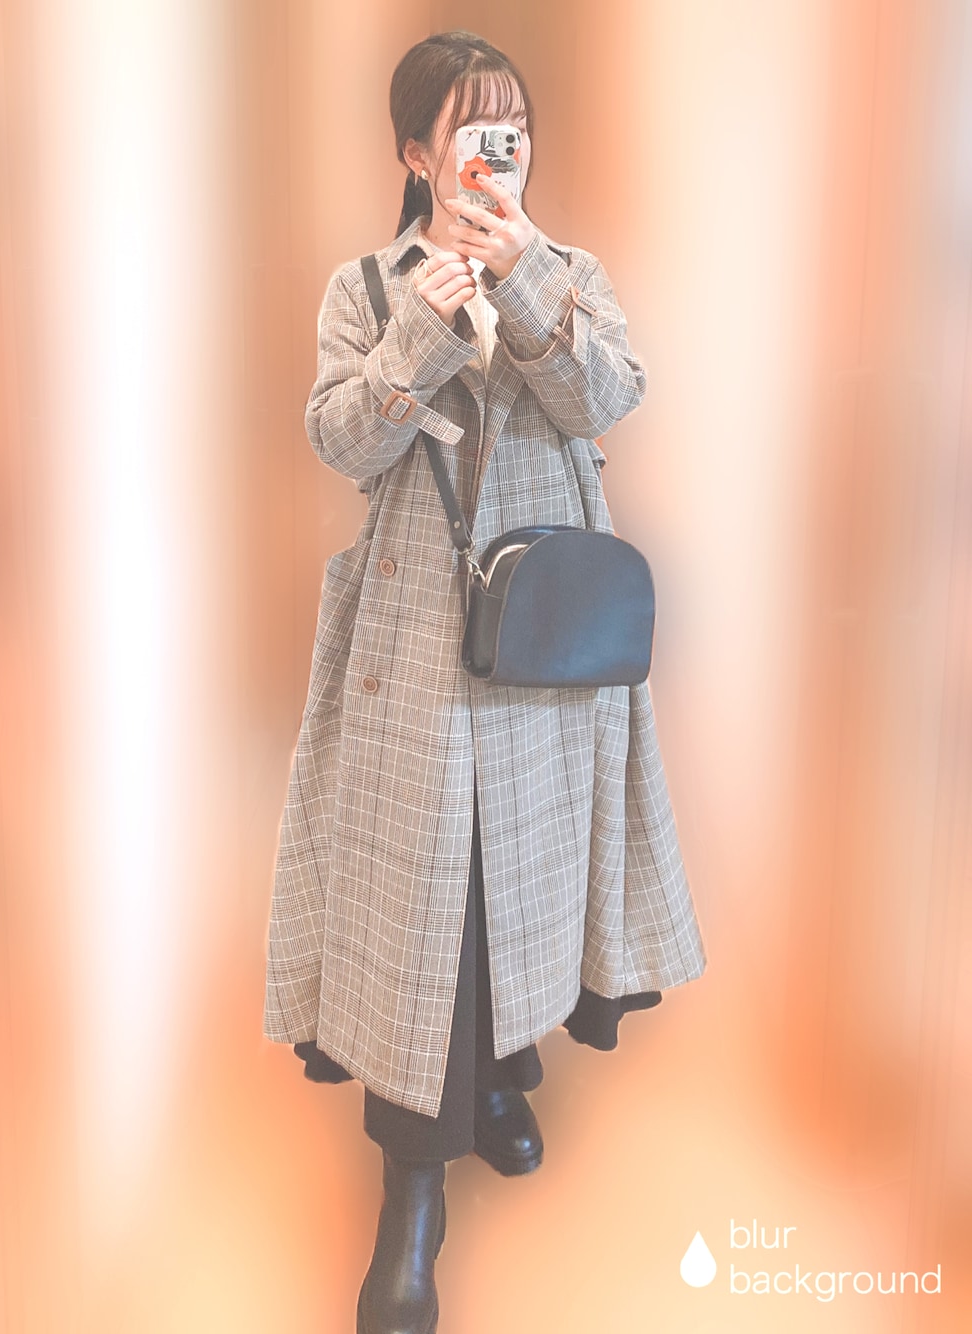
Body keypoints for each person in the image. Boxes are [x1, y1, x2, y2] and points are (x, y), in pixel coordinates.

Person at [264, 29, 706, 1334]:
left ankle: (507, 1071)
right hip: (410, 642)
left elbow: (608, 400)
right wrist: (424, 326)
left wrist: (522, 282)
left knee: (519, 876)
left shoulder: (567, 274)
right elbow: (341, 440)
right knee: (422, 905)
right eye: (470, 129)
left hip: (543, 639)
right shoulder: (365, 286)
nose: (494, 152)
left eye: (512, 128)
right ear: (418, 152)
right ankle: (411, 1200)